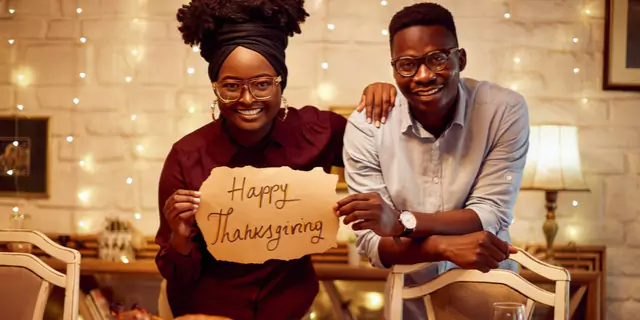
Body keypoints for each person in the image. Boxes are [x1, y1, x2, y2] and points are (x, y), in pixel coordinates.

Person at [155, 1, 396, 319]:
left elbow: (391, 155)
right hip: (208, 314)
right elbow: (176, 273)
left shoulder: (319, 131)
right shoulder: (187, 157)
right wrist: (180, 237)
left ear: (280, 81)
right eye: (230, 87)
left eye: (262, 84)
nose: (246, 99)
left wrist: (382, 99)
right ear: (215, 89)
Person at [335, 2, 529, 318]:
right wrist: (440, 246)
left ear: (461, 59)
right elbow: (373, 243)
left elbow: (490, 212)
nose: (424, 75)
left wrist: (400, 222)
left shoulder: (502, 110)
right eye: (407, 64)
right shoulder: (367, 124)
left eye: (437, 59)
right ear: (394, 69)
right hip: (409, 306)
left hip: (492, 299)